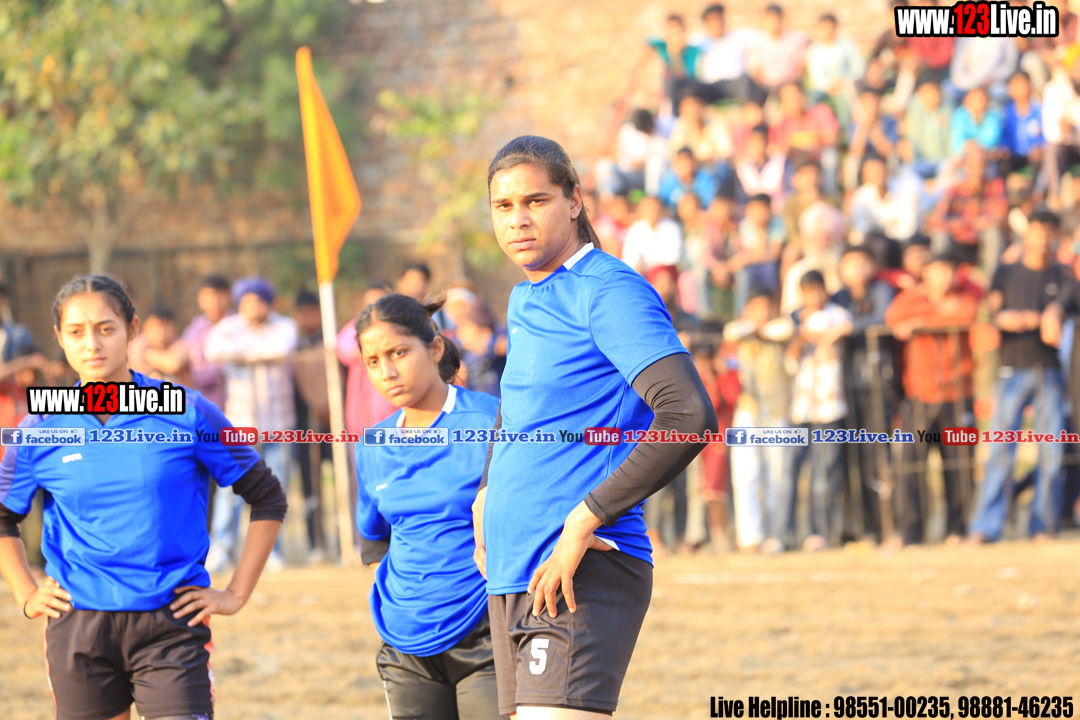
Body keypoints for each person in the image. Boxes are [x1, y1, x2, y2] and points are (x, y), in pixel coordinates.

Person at [478, 135, 717, 718]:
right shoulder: (524, 297)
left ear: (575, 201)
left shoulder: (608, 290)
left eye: (536, 201)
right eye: (504, 206)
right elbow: (519, 405)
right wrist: (487, 491)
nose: (518, 219)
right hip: (512, 572)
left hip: (582, 564)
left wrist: (587, 516)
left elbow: (688, 415)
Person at [0, 274, 286, 720]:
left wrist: (235, 593)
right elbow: (3, 516)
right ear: (59, 337)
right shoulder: (40, 426)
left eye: (106, 328)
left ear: (132, 329)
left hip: (172, 625)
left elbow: (267, 496)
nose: (92, 344)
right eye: (76, 332)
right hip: (79, 629)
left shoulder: (187, 410)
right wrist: (25, 593)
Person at [354, 294, 504, 719]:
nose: (387, 372)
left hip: (486, 635)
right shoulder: (372, 445)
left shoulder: (491, 420)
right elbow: (373, 540)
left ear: (435, 348)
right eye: (373, 361)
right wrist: (405, 601)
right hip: (405, 647)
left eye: (398, 353)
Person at [970, 210, 1068, 543]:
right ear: (1026, 235)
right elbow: (991, 311)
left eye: (1048, 232)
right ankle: (986, 525)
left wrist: (1049, 315)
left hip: (1049, 371)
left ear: (1055, 236)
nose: (1041, 239)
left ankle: (1043, 524)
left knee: (1051, 451)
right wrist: (1003, 317)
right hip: (1010, 368)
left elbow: (1067, 305)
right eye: (1036, 232)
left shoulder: (1063, 275)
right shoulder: (1006, 272)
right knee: (1000, 449)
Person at [885, 250, 980, 546]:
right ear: (925, 273)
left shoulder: (965, 296)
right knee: (910, 464)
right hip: (920, 394)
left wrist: (920, 322)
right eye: (936, 270)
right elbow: (893, 316)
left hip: (958, 395)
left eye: (948, 269)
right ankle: (910, 530)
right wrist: (933, 312)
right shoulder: (914, 297)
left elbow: (967, 314)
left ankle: (957, 529)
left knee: (959, 466)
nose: (943, 276)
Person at [204, 276, 298, 572]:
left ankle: (272, 552)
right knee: (230, 489)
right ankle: (221, 550)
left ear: (269, 304)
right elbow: (213, 351)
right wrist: (257, 349)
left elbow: (281, 348)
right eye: (246, 302)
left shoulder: (284, 326)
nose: (251, 308)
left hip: (277, 425)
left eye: (257, 301)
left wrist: (241, 352)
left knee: (276, 490)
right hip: (239, 426)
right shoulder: (228, 327)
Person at [832, 247, 898, 542]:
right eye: (850, 264)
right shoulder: (837, 298)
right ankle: (860, 528)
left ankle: (887, 525)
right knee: (851, 458)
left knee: (878, 455)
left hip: (877, 384)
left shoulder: (882, 291)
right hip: (845, 387)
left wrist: (850, 327)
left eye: (862, 263)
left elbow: (884, 318)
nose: (857, 270)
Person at [786, 270, 853, 550]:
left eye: (817, 290)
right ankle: (789, 533)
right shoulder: (795, 320)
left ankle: (822, 531)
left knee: (825, 471)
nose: (813, 296)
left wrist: (824, 335)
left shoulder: (838, 314)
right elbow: (790, 360)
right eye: (808, 291)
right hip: (802, 405)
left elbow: (847, 328)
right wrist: (802, 335)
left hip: (829, 405)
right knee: (793, 471)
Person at [722, 289, 794, 552]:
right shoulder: (741, 330)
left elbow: (784, 331)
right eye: (757, 308)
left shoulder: (781, 327)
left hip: (777, 411)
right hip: (748, 410)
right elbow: (730, 333)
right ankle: (749, 537)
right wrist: (752, 327)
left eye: (766, 307)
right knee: (746, 473)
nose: (762, 313)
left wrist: (758, 329)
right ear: (747, 310)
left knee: (778, 475)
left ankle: (776, 534)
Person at [292, 289, 331, 558]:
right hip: (303, 426)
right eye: (301, 312)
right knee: (310, 486)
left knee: (345, 480)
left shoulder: (330, 341)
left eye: (311, 311)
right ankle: (316, 542)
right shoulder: (292, 345)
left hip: (333, 426)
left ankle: (352, 538)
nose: (306, 317)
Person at [691, 3, 767, 105]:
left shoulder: (738, 36)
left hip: (736, 83)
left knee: (747, 82)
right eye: (712, 20)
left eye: (718, 18)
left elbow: (763, 38)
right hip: (711, 86)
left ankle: (750, 109)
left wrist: (756, 64)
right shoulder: (698, 41)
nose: (716, 23)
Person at [180, 274, 232, 410]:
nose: (214, 302)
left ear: (228, 296)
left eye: (219, 295)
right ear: (200, 299)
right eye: (208, 297)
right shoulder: (194, 330)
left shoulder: (238, 325)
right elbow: (195, 370)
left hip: (237, 403)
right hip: (205, 405)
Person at [620, 195, 683, 275]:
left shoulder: (672, 227)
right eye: (649, 208)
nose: (652, 211)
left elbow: (672, 259)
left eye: (655, 208)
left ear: (661, 209)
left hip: (666, 272)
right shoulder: (636, 229)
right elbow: (630, 258)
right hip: (643, 273)